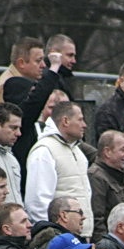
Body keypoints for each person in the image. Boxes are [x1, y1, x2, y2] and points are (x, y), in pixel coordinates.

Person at [26, 101, 92, 237]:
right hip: (60, 237)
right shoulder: (44, 150)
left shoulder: (78, 151)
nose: (84, 125)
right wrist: (49, 234)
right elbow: (38, 201)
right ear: (65, 121)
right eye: (80, 119)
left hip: (81, 234)